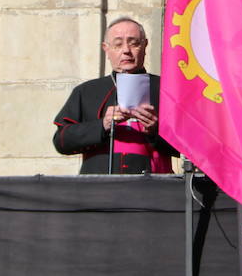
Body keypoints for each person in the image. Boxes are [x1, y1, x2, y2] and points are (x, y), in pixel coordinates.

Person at [53, 17, 177, 174]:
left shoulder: (167, 89)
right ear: (106, 49)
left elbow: (193, 144)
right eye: (118, 44)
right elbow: (62, 141)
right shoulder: (86, 91)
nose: (126, 50)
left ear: (145, 45)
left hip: (154, 189)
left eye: (133, 43)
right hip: (100, 190)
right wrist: (102, 125)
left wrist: (156, 130)